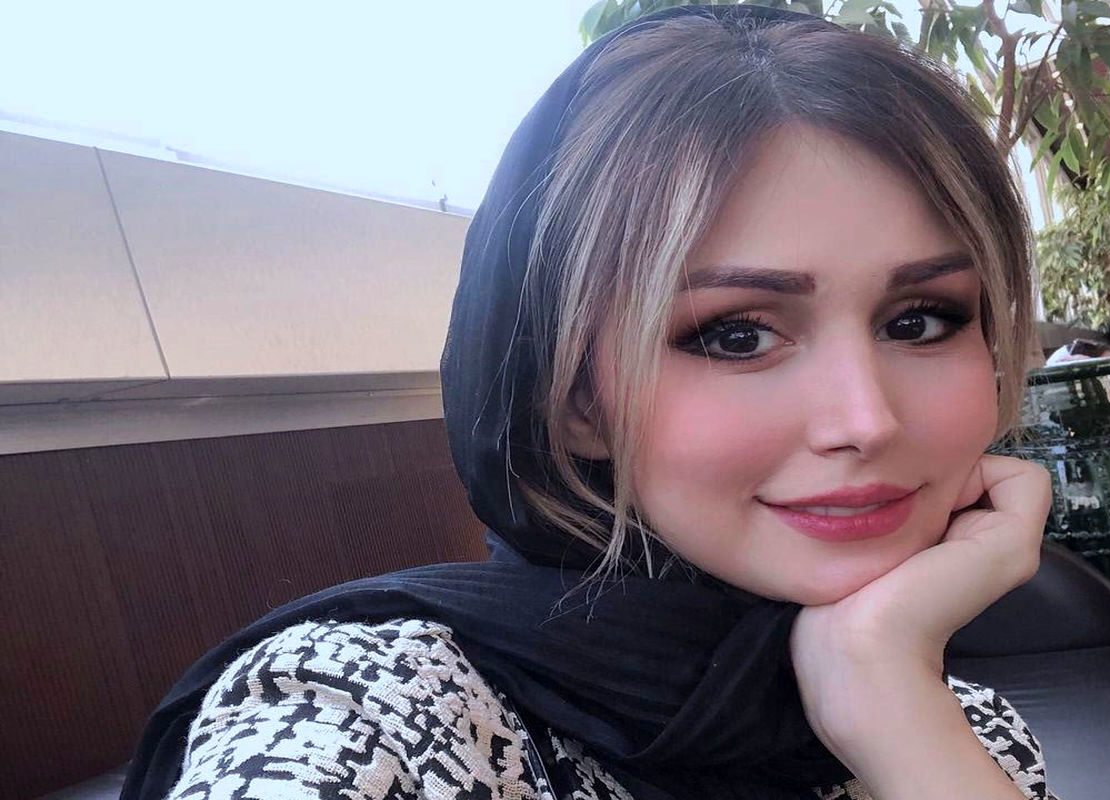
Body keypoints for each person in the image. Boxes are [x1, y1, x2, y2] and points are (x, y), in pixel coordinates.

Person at [121, 6, 1055, 800]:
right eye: (736, 335)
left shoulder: (957, 730)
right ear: (576, 401)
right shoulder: (375, 712)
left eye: (920, 321)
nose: (866, 419)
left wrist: (884, 695)